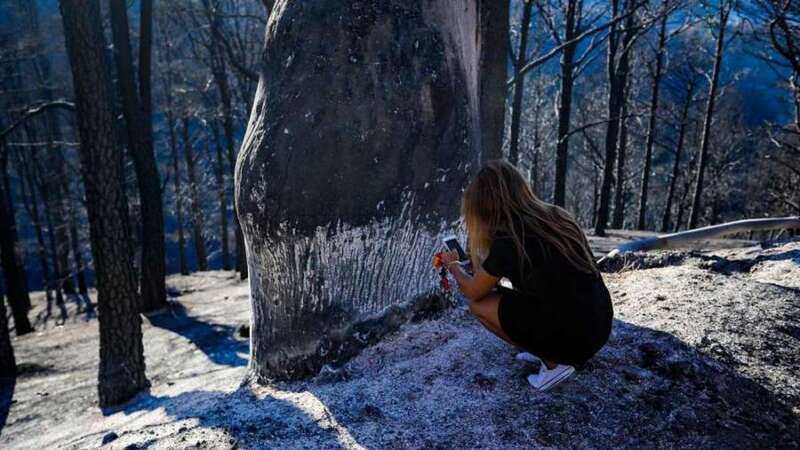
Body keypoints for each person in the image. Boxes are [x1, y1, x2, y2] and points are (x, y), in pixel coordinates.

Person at [437, 160, 613, 391]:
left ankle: (553, 364)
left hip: (574, 338)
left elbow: (473, 291)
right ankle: (547, 349)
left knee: (479, 305)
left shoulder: (510, 240)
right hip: (598, 326)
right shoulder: (556, 216)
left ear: (485, 207)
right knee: (501, 296)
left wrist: (453, 266)